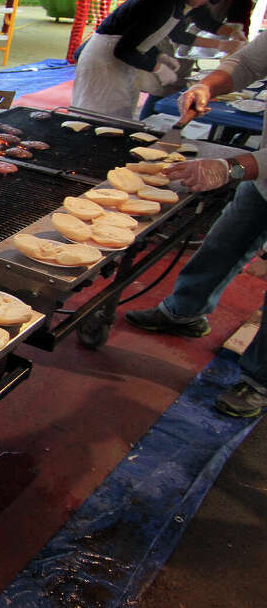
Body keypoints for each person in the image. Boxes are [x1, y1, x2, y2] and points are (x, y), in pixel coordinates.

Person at [124, 29, 267, 417]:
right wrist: (208, 85)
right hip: (264, 178)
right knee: (225, 241)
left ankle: (259, 380)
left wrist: (234, 166)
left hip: (260, 167)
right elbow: (249, 61)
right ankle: (184, 313)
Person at [72, 0, 231, 119]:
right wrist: (157, 68)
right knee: (97, 115)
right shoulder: (161, 3)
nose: (207, 0)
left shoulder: (174, 0)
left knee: (118, 113)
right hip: (104, 62)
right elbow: (123, 49)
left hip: (119, 61)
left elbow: (140, 37)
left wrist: (159, 56)